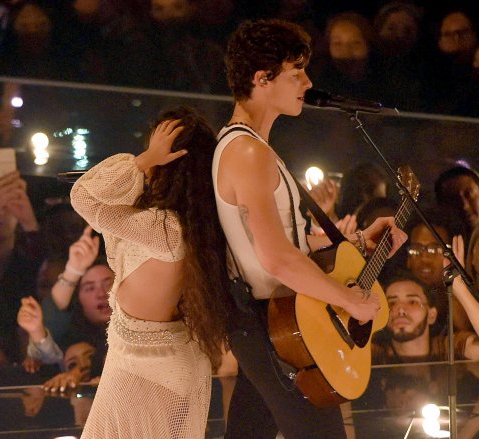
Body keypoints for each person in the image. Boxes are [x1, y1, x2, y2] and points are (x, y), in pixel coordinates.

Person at [214, 19, 406, 439]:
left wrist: (357, 240)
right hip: (274, 325)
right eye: (296, 71)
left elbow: (286, 241)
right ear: (262, 78)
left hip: (272, 322)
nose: (308, 81)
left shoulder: (253, 147)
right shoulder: (247, 152)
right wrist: (350, 301)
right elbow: (276, 258)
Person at [68, 106, 233, 438]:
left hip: (149, 367)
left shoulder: (166, 229)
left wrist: (144, 159)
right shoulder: (188, 224)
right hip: (145, 362)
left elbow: (83, 197)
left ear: (169, 161)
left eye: (158, 147)